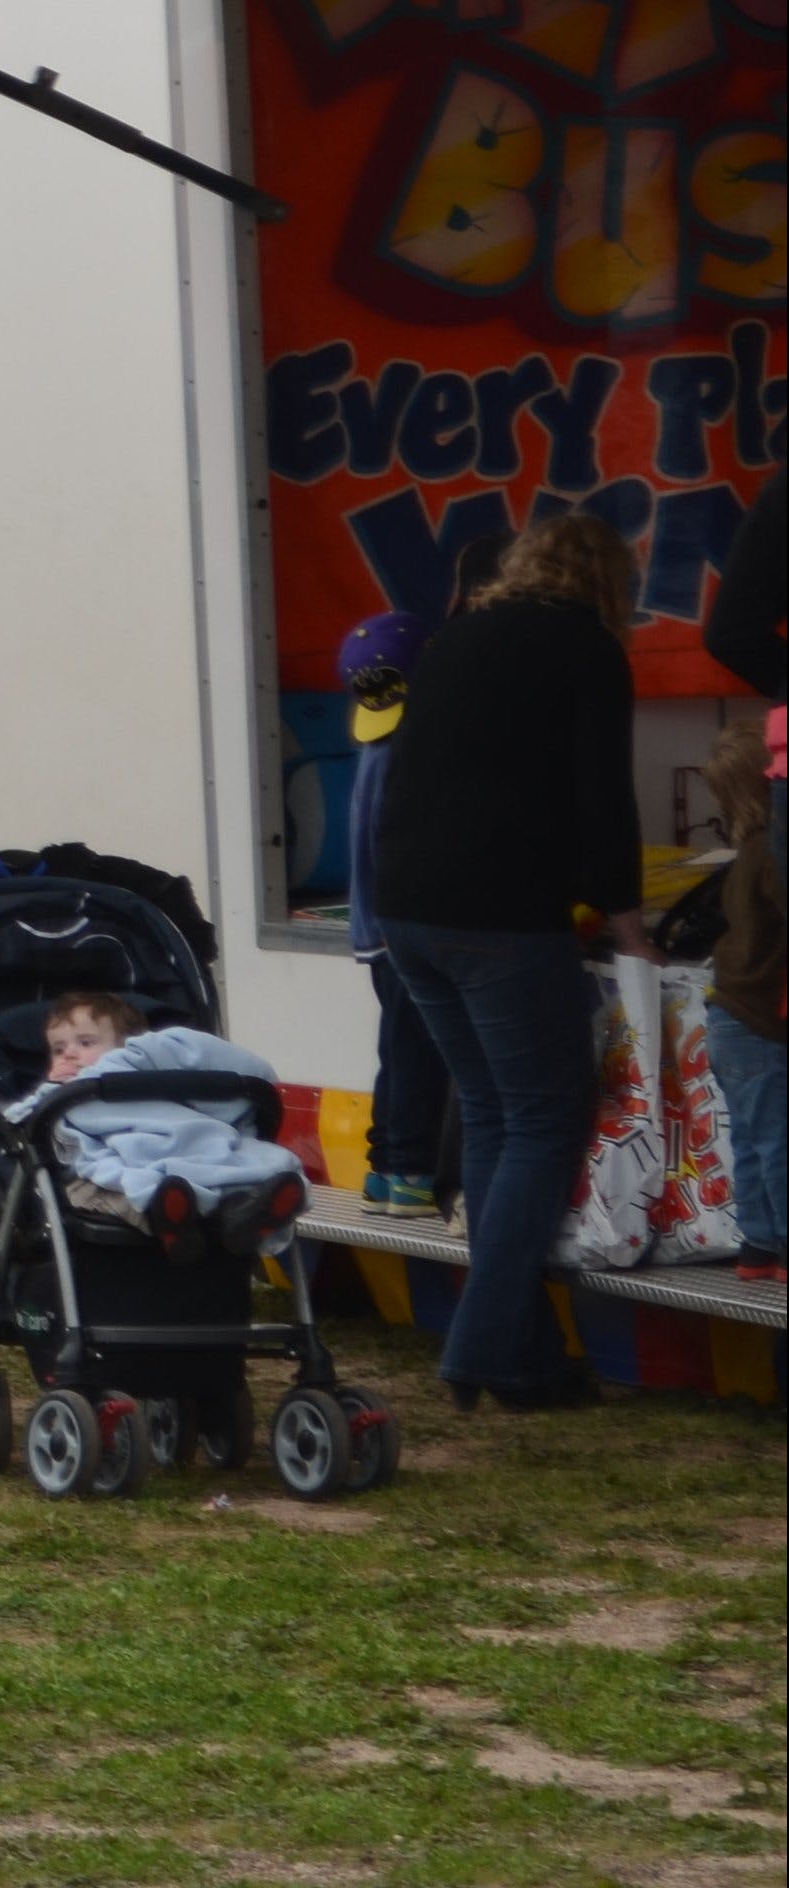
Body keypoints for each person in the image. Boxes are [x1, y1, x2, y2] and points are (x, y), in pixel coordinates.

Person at [373, 509, 653, 1410]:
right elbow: (603, 797)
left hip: (409, 907)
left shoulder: (462, 635)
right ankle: (480, 1350)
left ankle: (524, 1360)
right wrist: (626, 919)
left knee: (495, 1118)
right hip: (499, 918)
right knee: (541, 1121)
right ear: (609, 584)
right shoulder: (586, 651)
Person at [330, 611, 457, 1219]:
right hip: (402, 925)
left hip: (374, 931)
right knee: (418, 1052)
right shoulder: (412, 749)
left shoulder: (373, 744)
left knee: (396, 1048)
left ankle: (384, 1168)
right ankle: (409, 1169)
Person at [25, 989, 310, 1257]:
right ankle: (173, 1220)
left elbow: (197, 1108)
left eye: (86, 1043)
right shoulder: (58, 1096)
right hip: (119, 1169)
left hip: (182, 1155)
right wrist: (53, 1092)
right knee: (109, 1187)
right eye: (58, 1049)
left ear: (126, 1044)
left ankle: (238, 1215)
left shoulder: (151, 1069)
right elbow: (25, 1122)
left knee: (223, 1162)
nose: (69, 1055)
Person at [705, 477, 784, 1286]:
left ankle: (761, 1246)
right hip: (761, 1020)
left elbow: (731, 629)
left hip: (736, 1017)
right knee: (776, 1136)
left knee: (759, 1138)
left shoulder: (748, 850)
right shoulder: (768, 856)